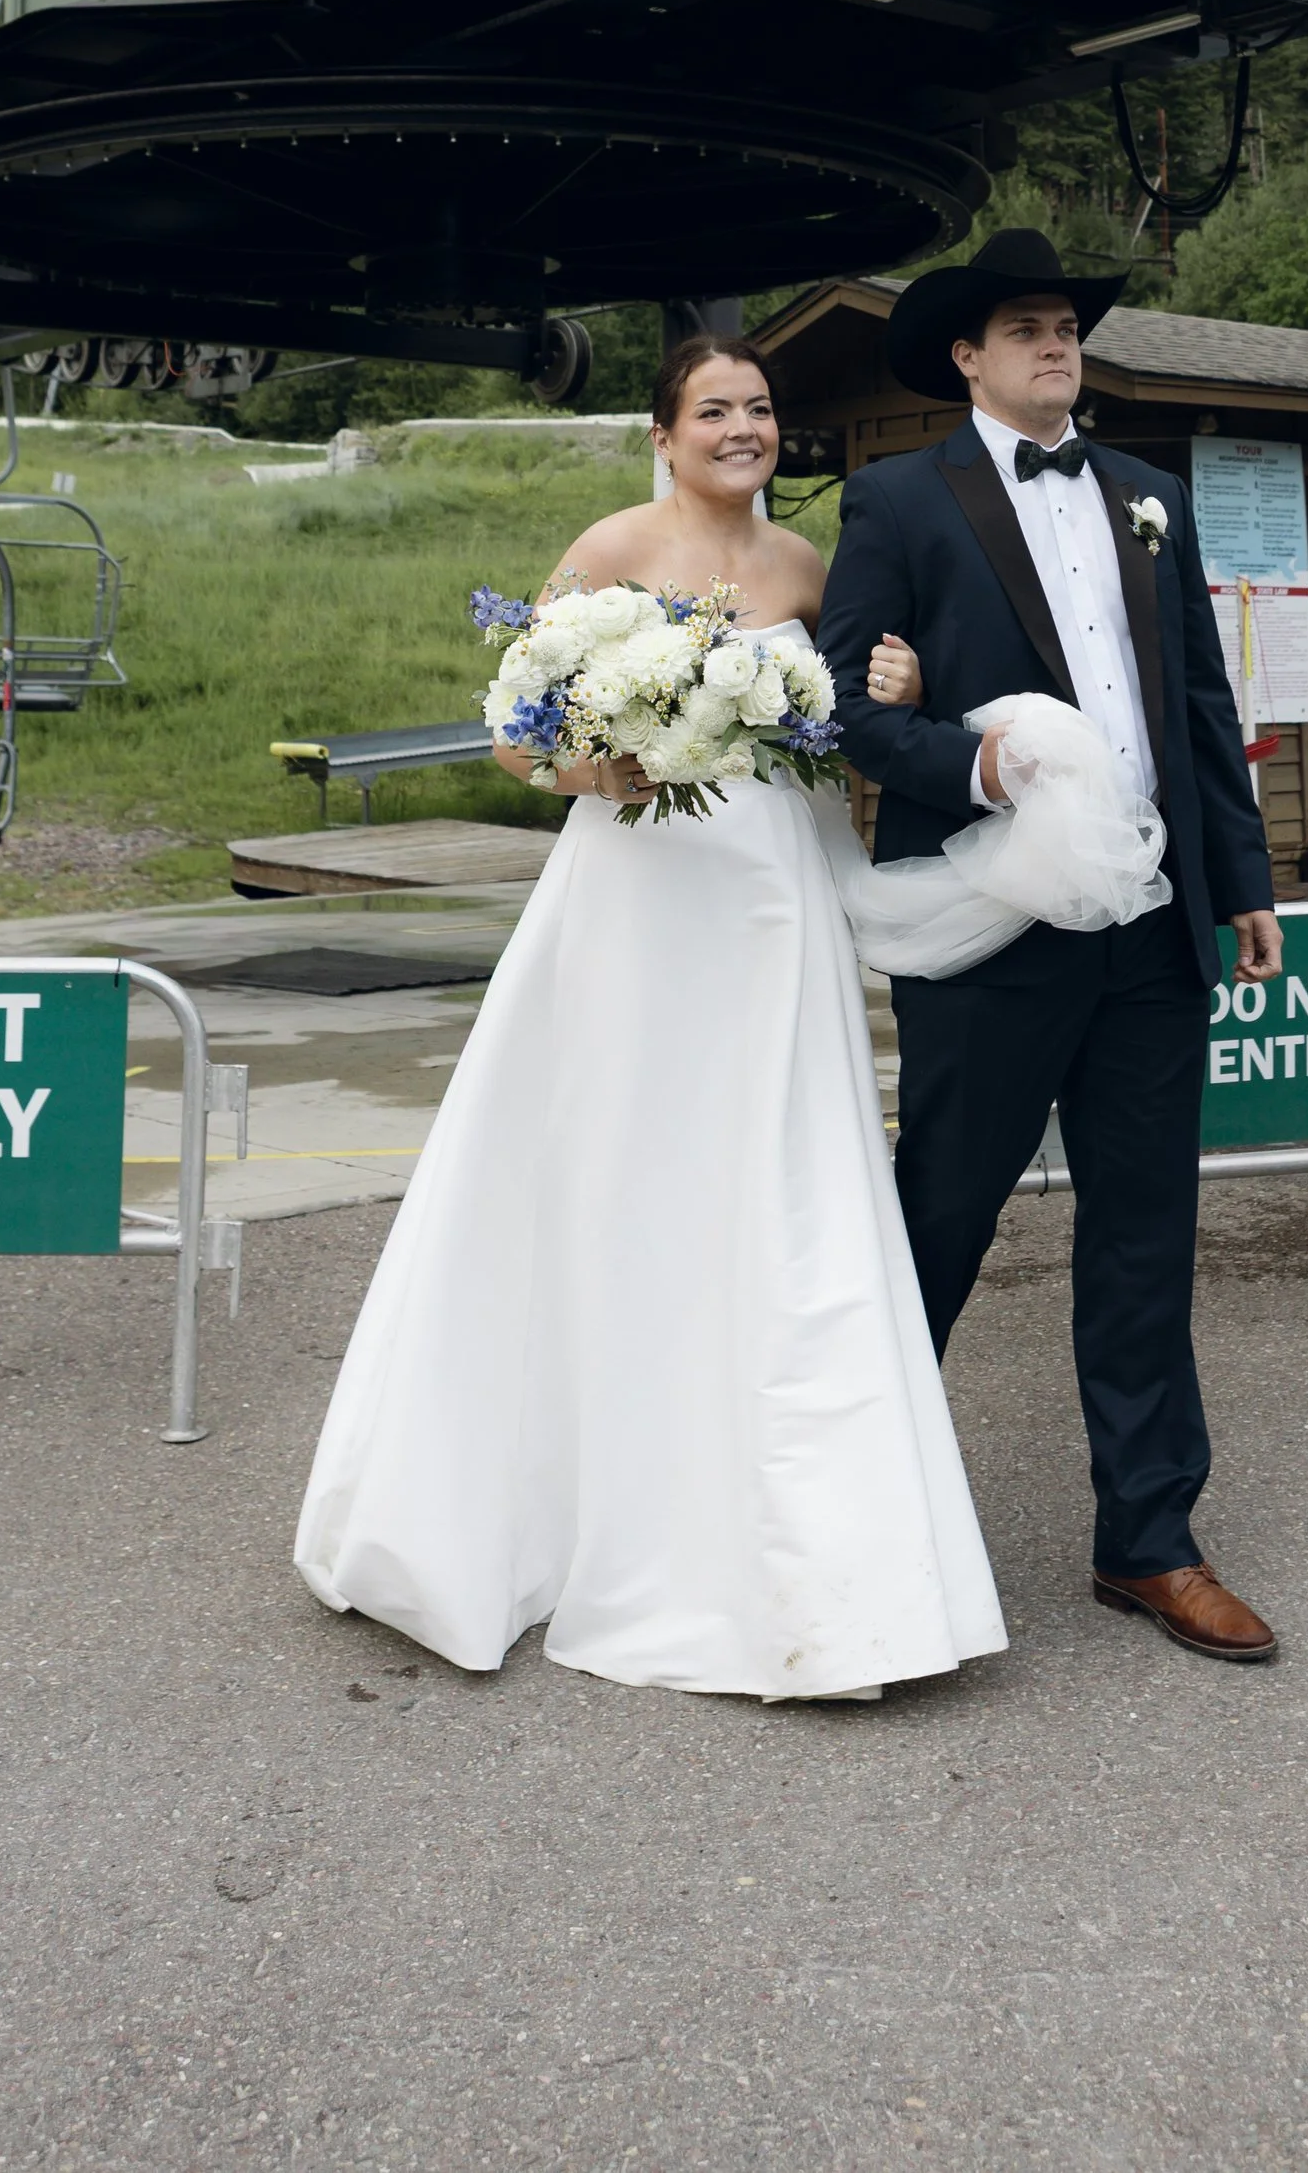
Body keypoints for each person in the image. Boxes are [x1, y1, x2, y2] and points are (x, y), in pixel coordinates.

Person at [294, 333, 1005, 1704]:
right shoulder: (614, 543)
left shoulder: (809, 569)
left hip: (775, 900)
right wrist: (595, 768)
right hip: (638, 898)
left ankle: (791, 1554)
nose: (744, 426)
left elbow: (846, 717)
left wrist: (891, 696)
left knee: (773, 1181)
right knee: (611, 1168)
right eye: (715, 409)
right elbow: (515, 724)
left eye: (760, 407)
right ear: (666, 433)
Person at [820, 230, 1285, 1665]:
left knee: (1145, 1232)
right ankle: (849, 1520)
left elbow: (1200, 701)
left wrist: (1243, 875)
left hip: (1149, 924)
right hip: (989, 921)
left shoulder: (1150, 496)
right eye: (1024, 327)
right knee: (939, 1222)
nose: (1054, 343)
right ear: (966, 353)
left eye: (1066, 326)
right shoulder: (898, 498)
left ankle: (1150, 1539)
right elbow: (844, 705)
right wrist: (980, 766)